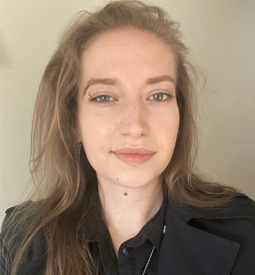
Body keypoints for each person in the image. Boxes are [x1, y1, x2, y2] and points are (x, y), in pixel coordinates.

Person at [1, 1, 255, 274]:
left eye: (158, 95)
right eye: (104, 97)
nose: (135, 126)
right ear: (73, 121)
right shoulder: (21, 241)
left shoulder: (245, 230)